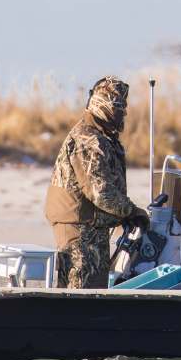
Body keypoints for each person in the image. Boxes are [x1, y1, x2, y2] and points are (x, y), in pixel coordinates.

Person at [44, 76, 151, 288]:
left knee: (94, 287)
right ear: (103, 106)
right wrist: (131, 212)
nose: (123, 113)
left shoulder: (99, 135)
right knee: (82, 289)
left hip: (91, 225)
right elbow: (100, 192)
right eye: (118, 107)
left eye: (123, 107)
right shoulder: (89, 139)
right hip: (80, 227)